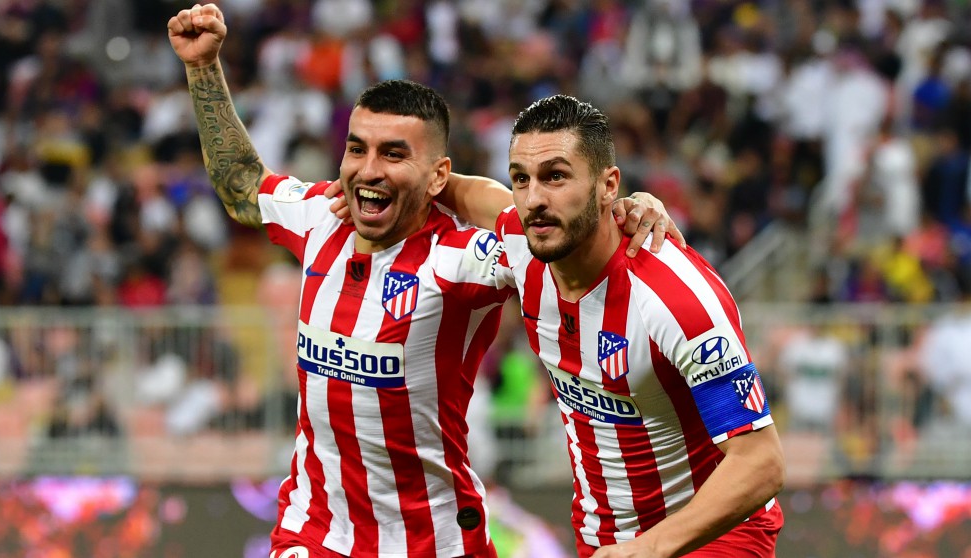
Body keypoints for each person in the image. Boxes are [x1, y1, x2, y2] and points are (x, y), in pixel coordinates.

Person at [167, 6, 681, 557]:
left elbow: (556, 231)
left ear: (439, 175)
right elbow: (243, 186)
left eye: (394, 155)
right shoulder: (320, 215)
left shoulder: (462, 260)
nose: (368, 170)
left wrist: (622, 208)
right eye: (357, 149)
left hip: (432, 542)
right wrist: (203, 68)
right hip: (314, 533)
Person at [442, 95, 786, 557]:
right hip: (605, 543)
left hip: (713, 538)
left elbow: (761, 461)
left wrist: (649, 548)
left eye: (556, 176)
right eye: (521, 179)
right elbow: (474, 197)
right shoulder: (525, 245)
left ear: (609, 187)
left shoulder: (673, 297)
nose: (534, 199)